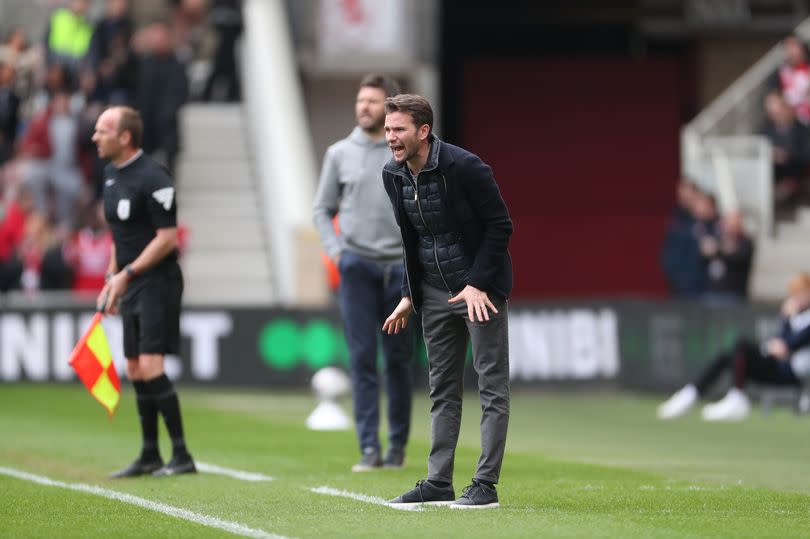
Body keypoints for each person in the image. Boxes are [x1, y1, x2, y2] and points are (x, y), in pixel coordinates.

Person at [381, 94, 513, 509]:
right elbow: (411, 239)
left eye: (398, 129)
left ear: (423, 131)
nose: (391, 138)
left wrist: (477, 283)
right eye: (387, 130)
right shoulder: (392, 174)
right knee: (442, 389)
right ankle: (439, 482)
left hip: (479, 293)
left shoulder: (466, 167)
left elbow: (500, 226)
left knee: (491, 387)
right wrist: (409, 293)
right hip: (433, 294)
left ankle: (485, 485)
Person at [312, 74, 414, 472]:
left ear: (389, 108)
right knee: (362, 358)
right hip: (357, 267)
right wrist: (337, 253)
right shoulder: (339, 153)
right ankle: (369, 446)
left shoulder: (402, 151)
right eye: (361, 101)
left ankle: (398, 446)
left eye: (373, 101)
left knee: (399, 360)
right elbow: (322, 209)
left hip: (400, 270)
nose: (364, 107)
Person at [92, 105, 195, 477]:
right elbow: (122, 235)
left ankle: (181, 455)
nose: (95, 137)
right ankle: (150, 453)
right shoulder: (109, 175)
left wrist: (127, 274)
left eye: (102, 130)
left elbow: (167, 239)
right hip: (130, 282)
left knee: (151, 365)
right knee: (135, 368)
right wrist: (112, 276)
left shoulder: (154, 176)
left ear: (125, 136)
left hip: (157, 281)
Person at [658, 272, 810, 422]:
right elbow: (781, 341)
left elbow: (789, 344)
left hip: (794, 372)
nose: (796, 297)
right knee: (727, 356)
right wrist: (786, 320)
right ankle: (690, 394)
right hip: (780, 365)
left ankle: (736, 398)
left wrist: (785, 321)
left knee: (741, 345)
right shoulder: (796, 315)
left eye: (800, 292)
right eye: (794, 293)